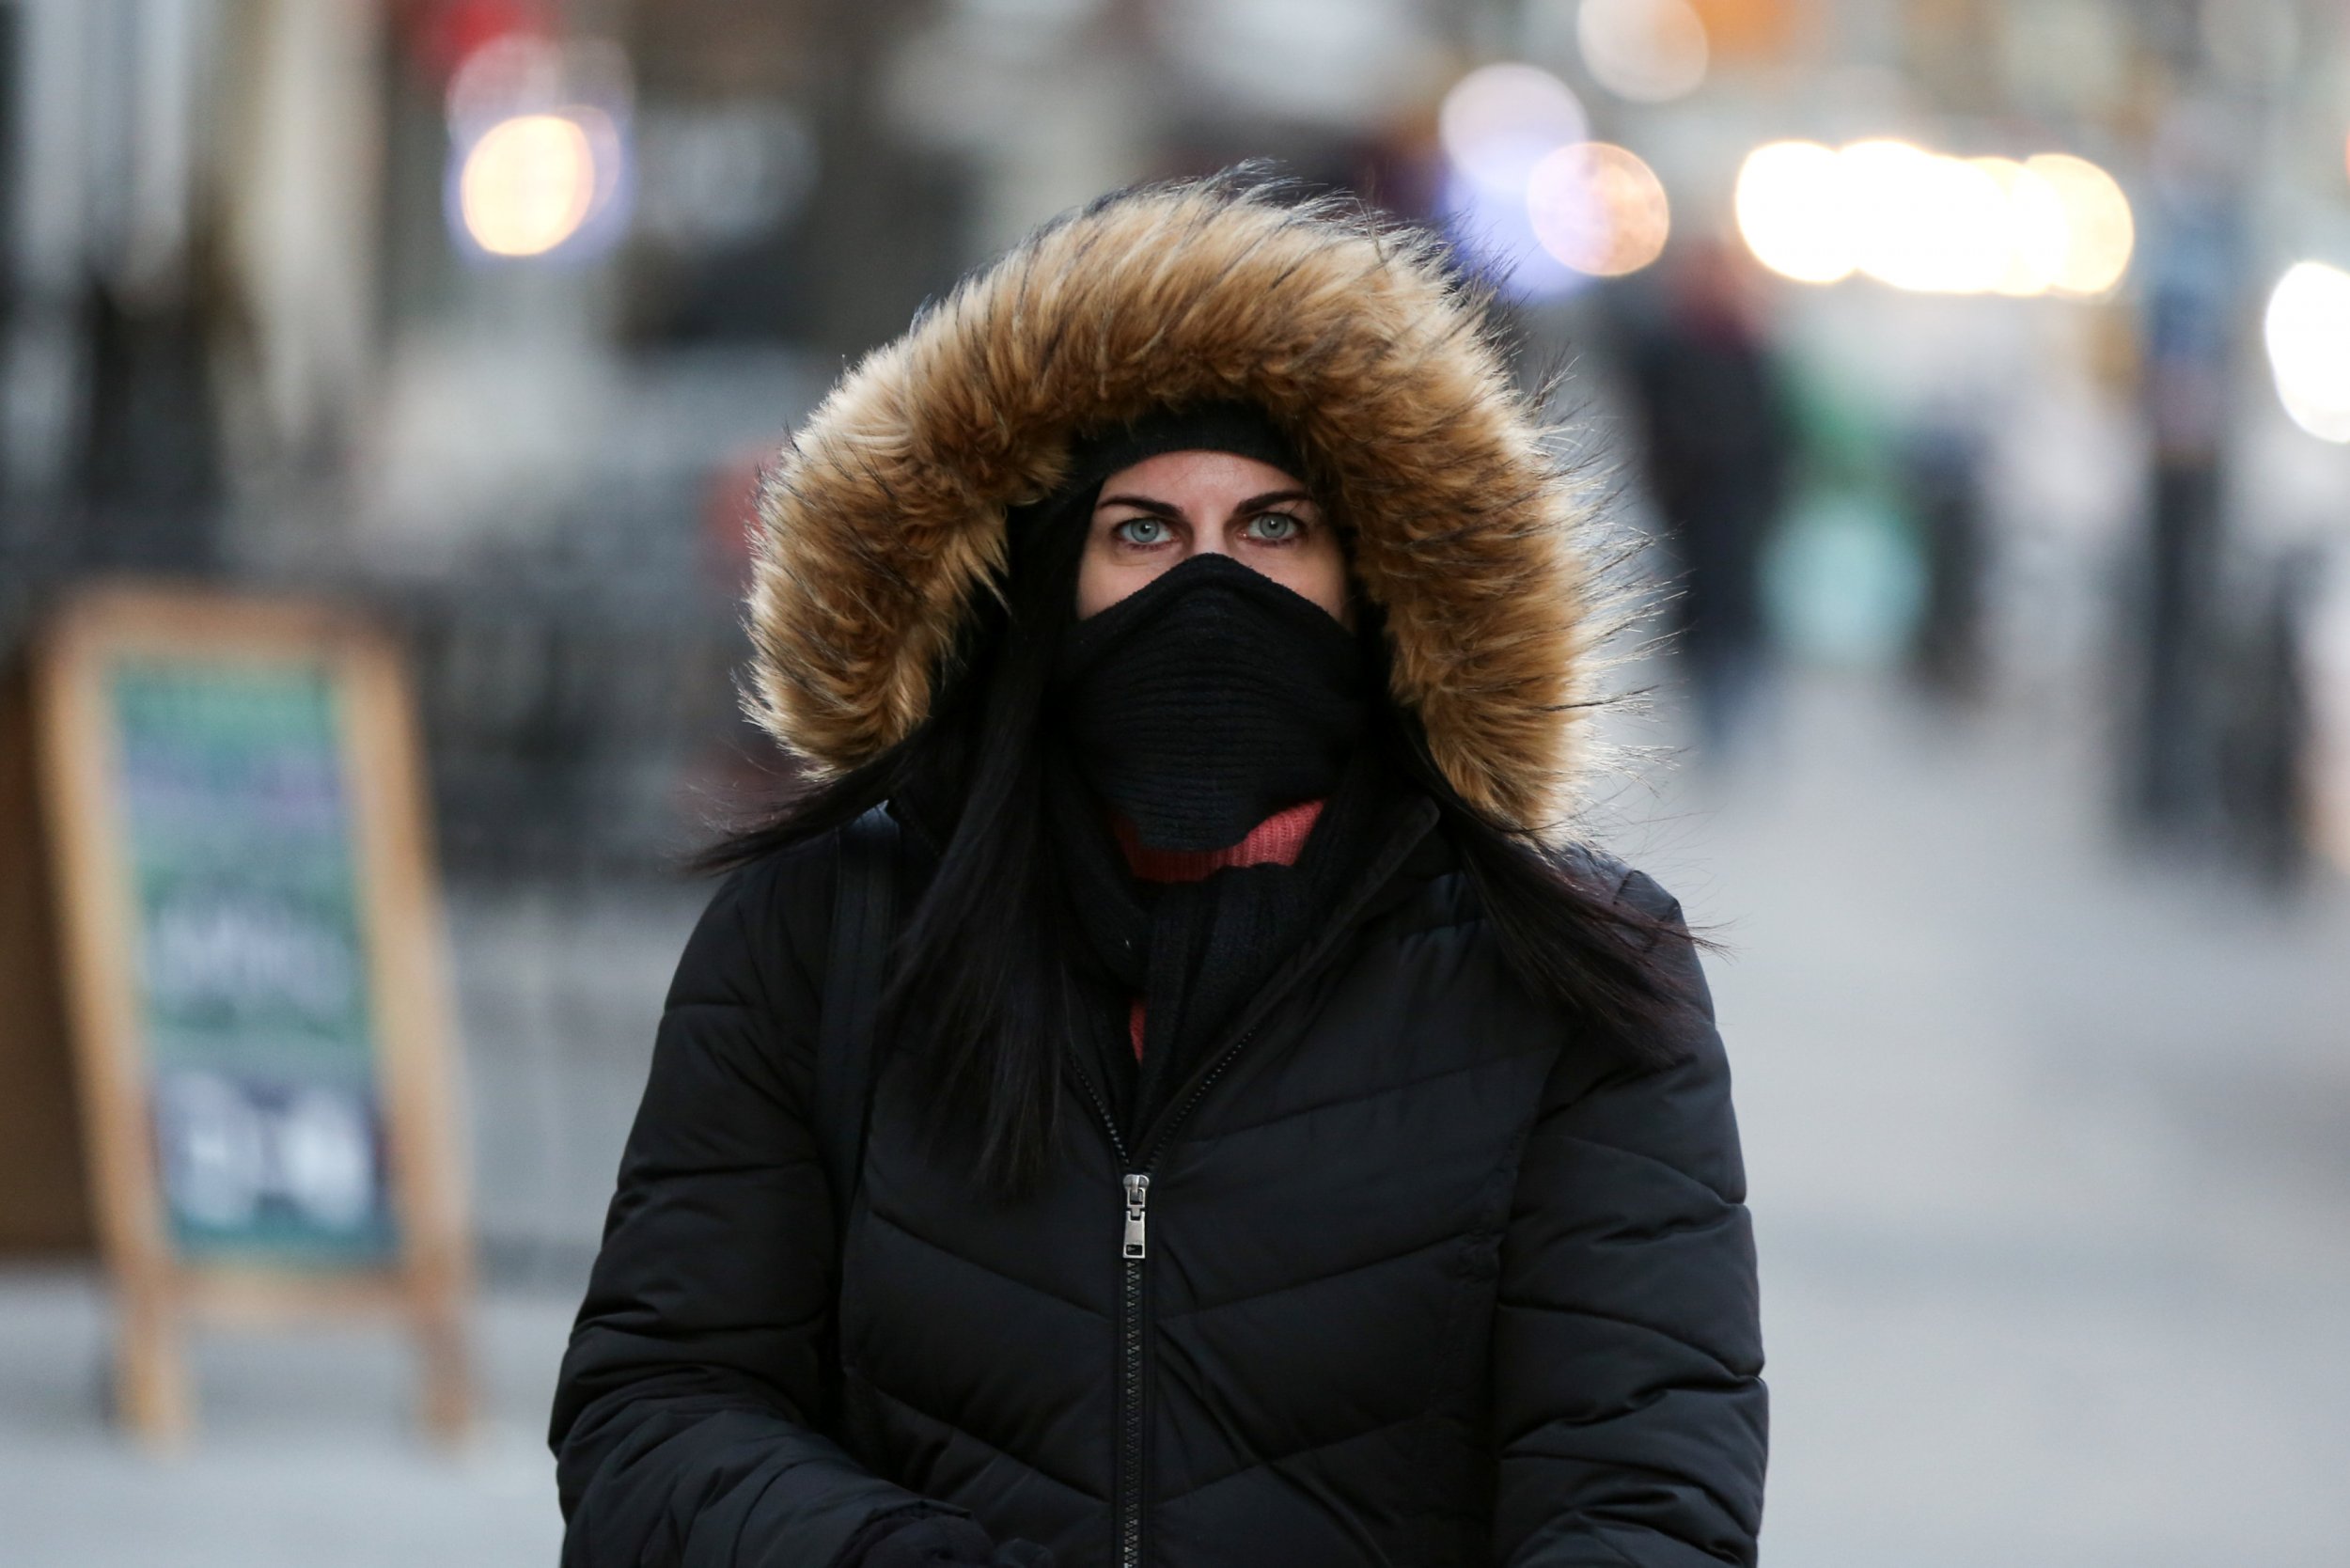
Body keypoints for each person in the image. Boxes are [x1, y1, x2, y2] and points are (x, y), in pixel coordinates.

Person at [551, 173, 1765, 1568]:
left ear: (1377, 583)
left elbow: (1644, 1496)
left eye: (1274, 530)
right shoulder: (822, 934)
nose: (1211, 589)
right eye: (1143, 532)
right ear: (1040, 577)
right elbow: (658, 1414)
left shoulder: (1570, 973)